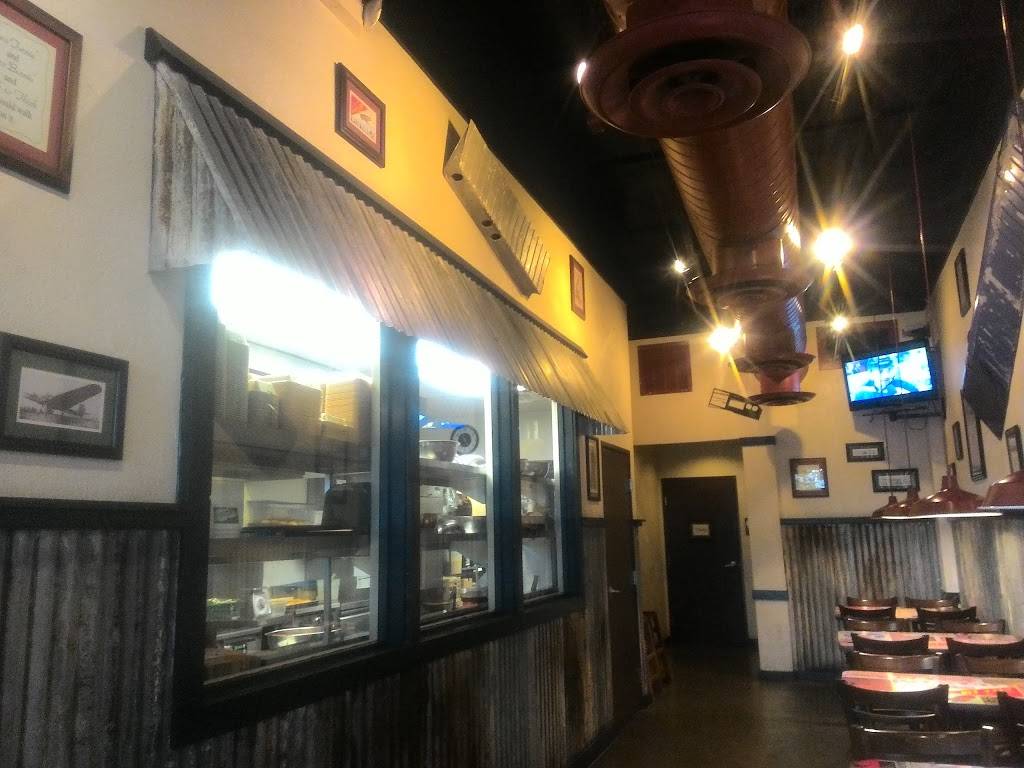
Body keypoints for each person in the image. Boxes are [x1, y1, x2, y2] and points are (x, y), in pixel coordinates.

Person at [852, 354, 918, 400]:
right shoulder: (861, 392)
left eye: (890, 369)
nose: (886, 375)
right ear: (870, 373)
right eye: (880, 371)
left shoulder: (907, 387)